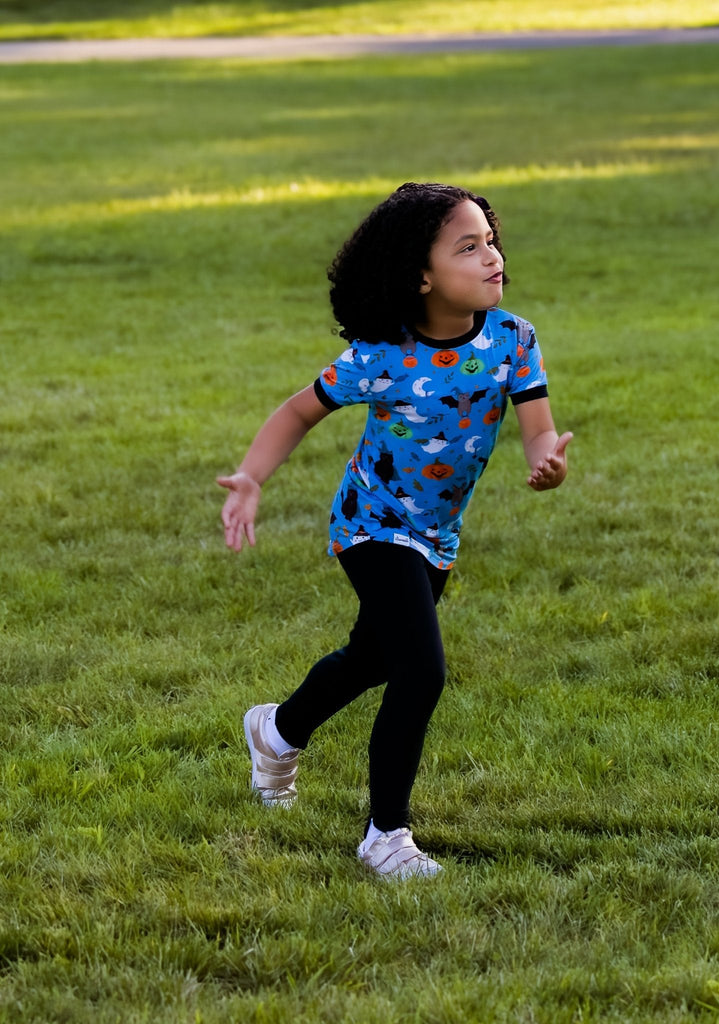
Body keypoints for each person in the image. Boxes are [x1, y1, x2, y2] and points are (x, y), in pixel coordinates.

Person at [217, 182, 572, 879]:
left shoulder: (513, 339)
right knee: (420, 668)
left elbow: (537, 429)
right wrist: (253, 477)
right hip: (372, 523)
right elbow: (297, 412)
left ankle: (278, 730)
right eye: (468, 247)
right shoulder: (382, 354)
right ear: (422, 275)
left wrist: (547, 463)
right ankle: (386, 835)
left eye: (491, 239)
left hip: (437, 534)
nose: (493, 256)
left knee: (373, 658)